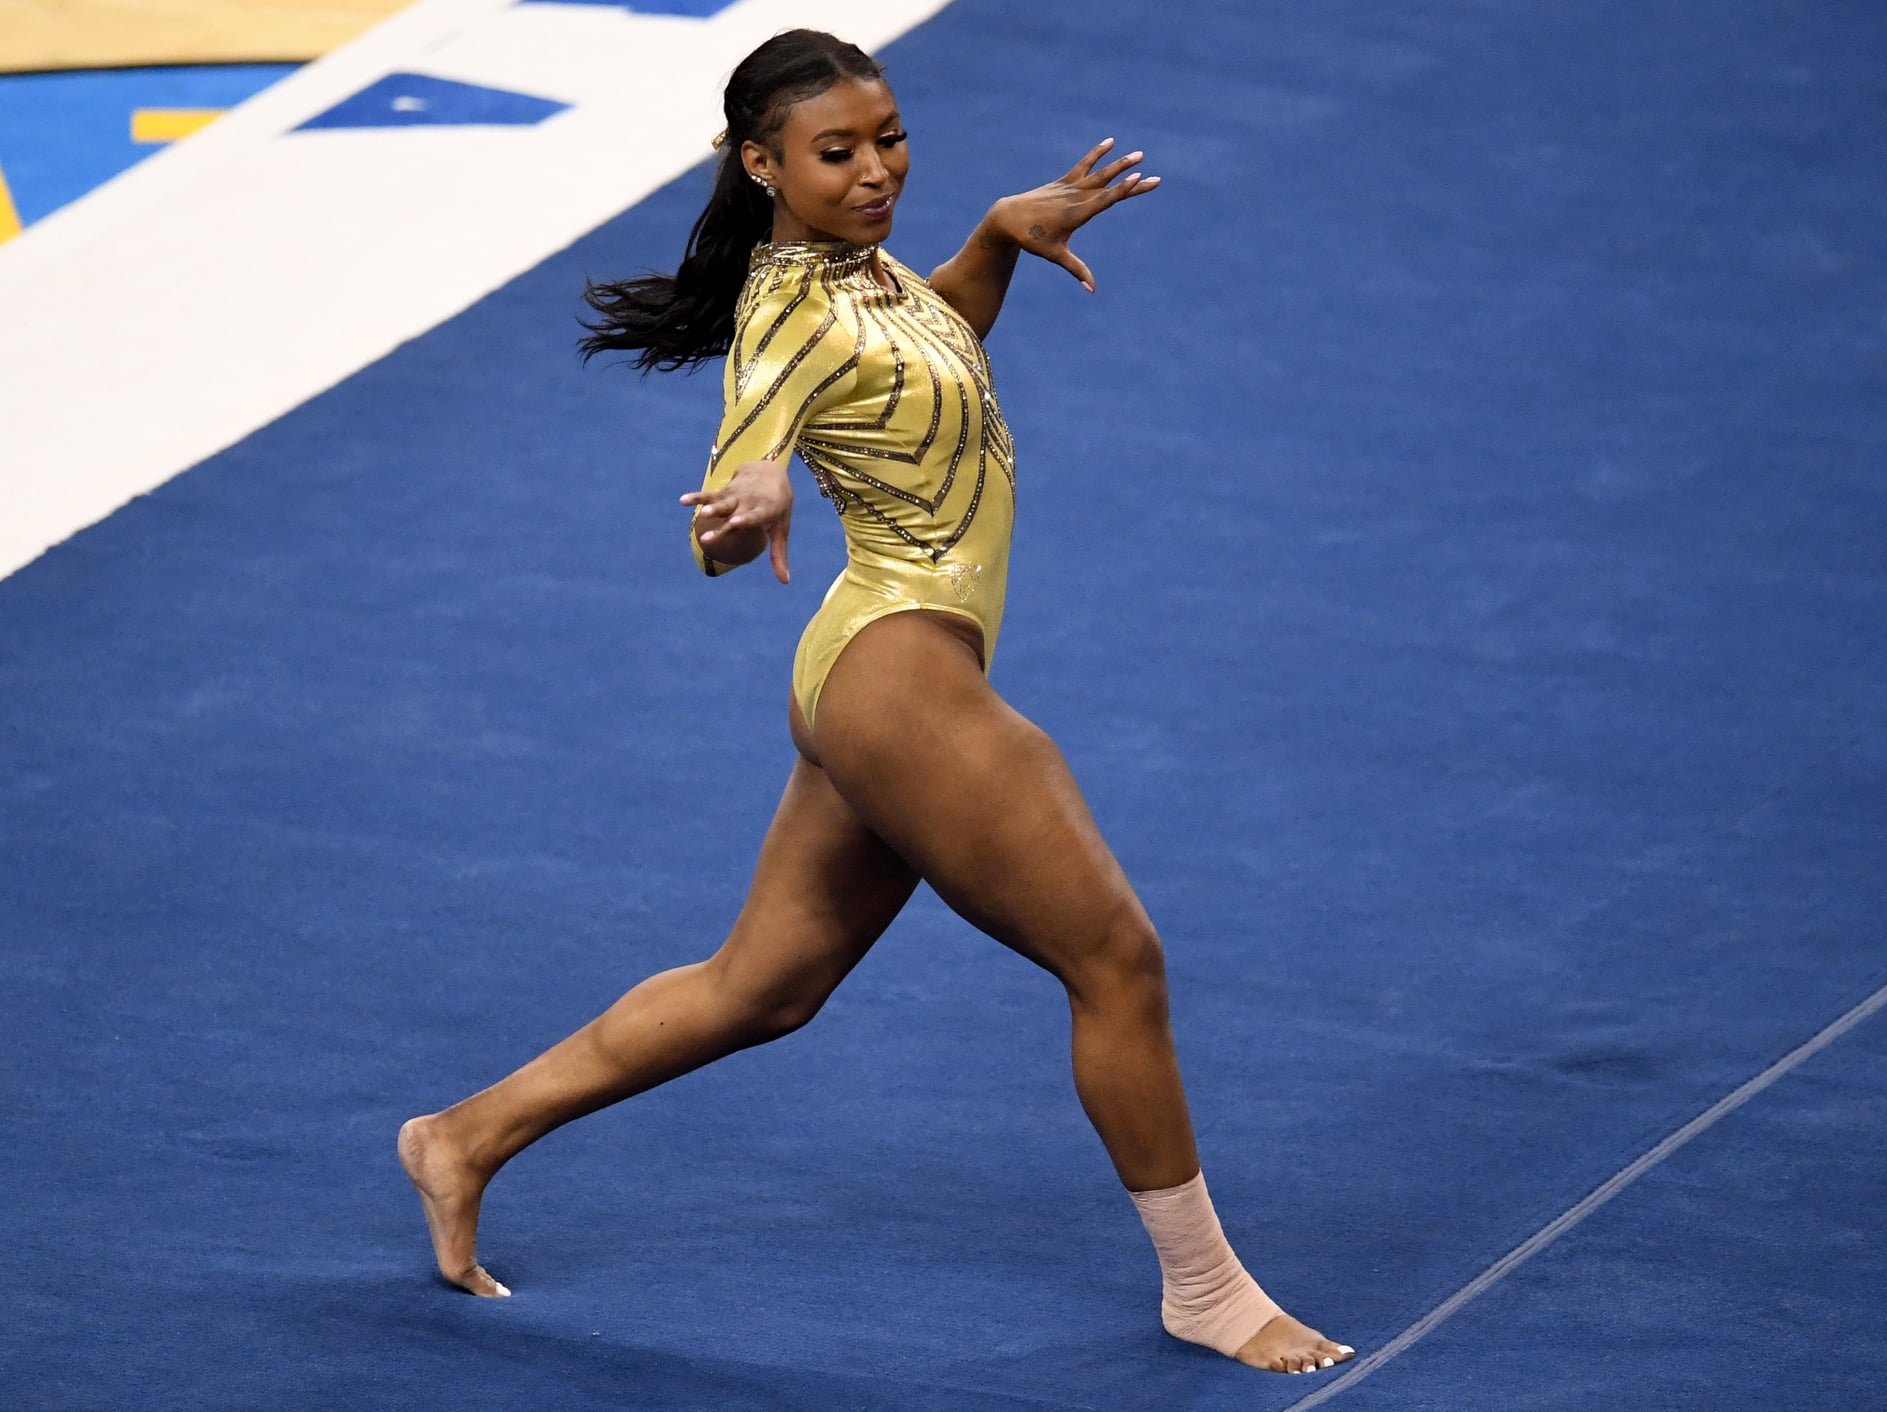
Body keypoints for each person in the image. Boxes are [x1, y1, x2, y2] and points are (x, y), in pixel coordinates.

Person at [398, 27, 1354, 1377]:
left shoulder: (870, 273)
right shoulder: (784, 303)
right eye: (836, 153)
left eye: (888, 136)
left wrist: (996, 242)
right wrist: (750, 504)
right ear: (762, 165)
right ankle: (1204, 1287)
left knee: (761, 988)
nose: (874, 170)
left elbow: (928, 341)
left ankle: (462, 1135)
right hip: (897, 666)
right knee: (1117, 959)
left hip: (884, 667)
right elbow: (733, 488)